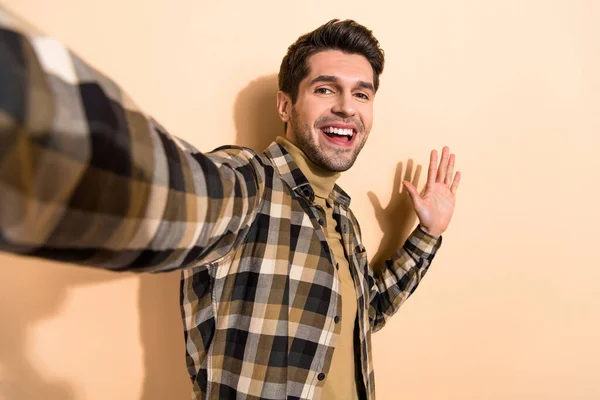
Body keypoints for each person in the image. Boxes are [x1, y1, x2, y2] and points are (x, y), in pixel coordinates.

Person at [0, 7, 461, 400]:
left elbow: (367, 314)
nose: (346, 106)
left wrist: (428, 234)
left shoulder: (343, 215)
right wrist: (24, 114)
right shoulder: (249, 180)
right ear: (285, 106)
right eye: (325, 88)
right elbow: (173, 193)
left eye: (361, 93)